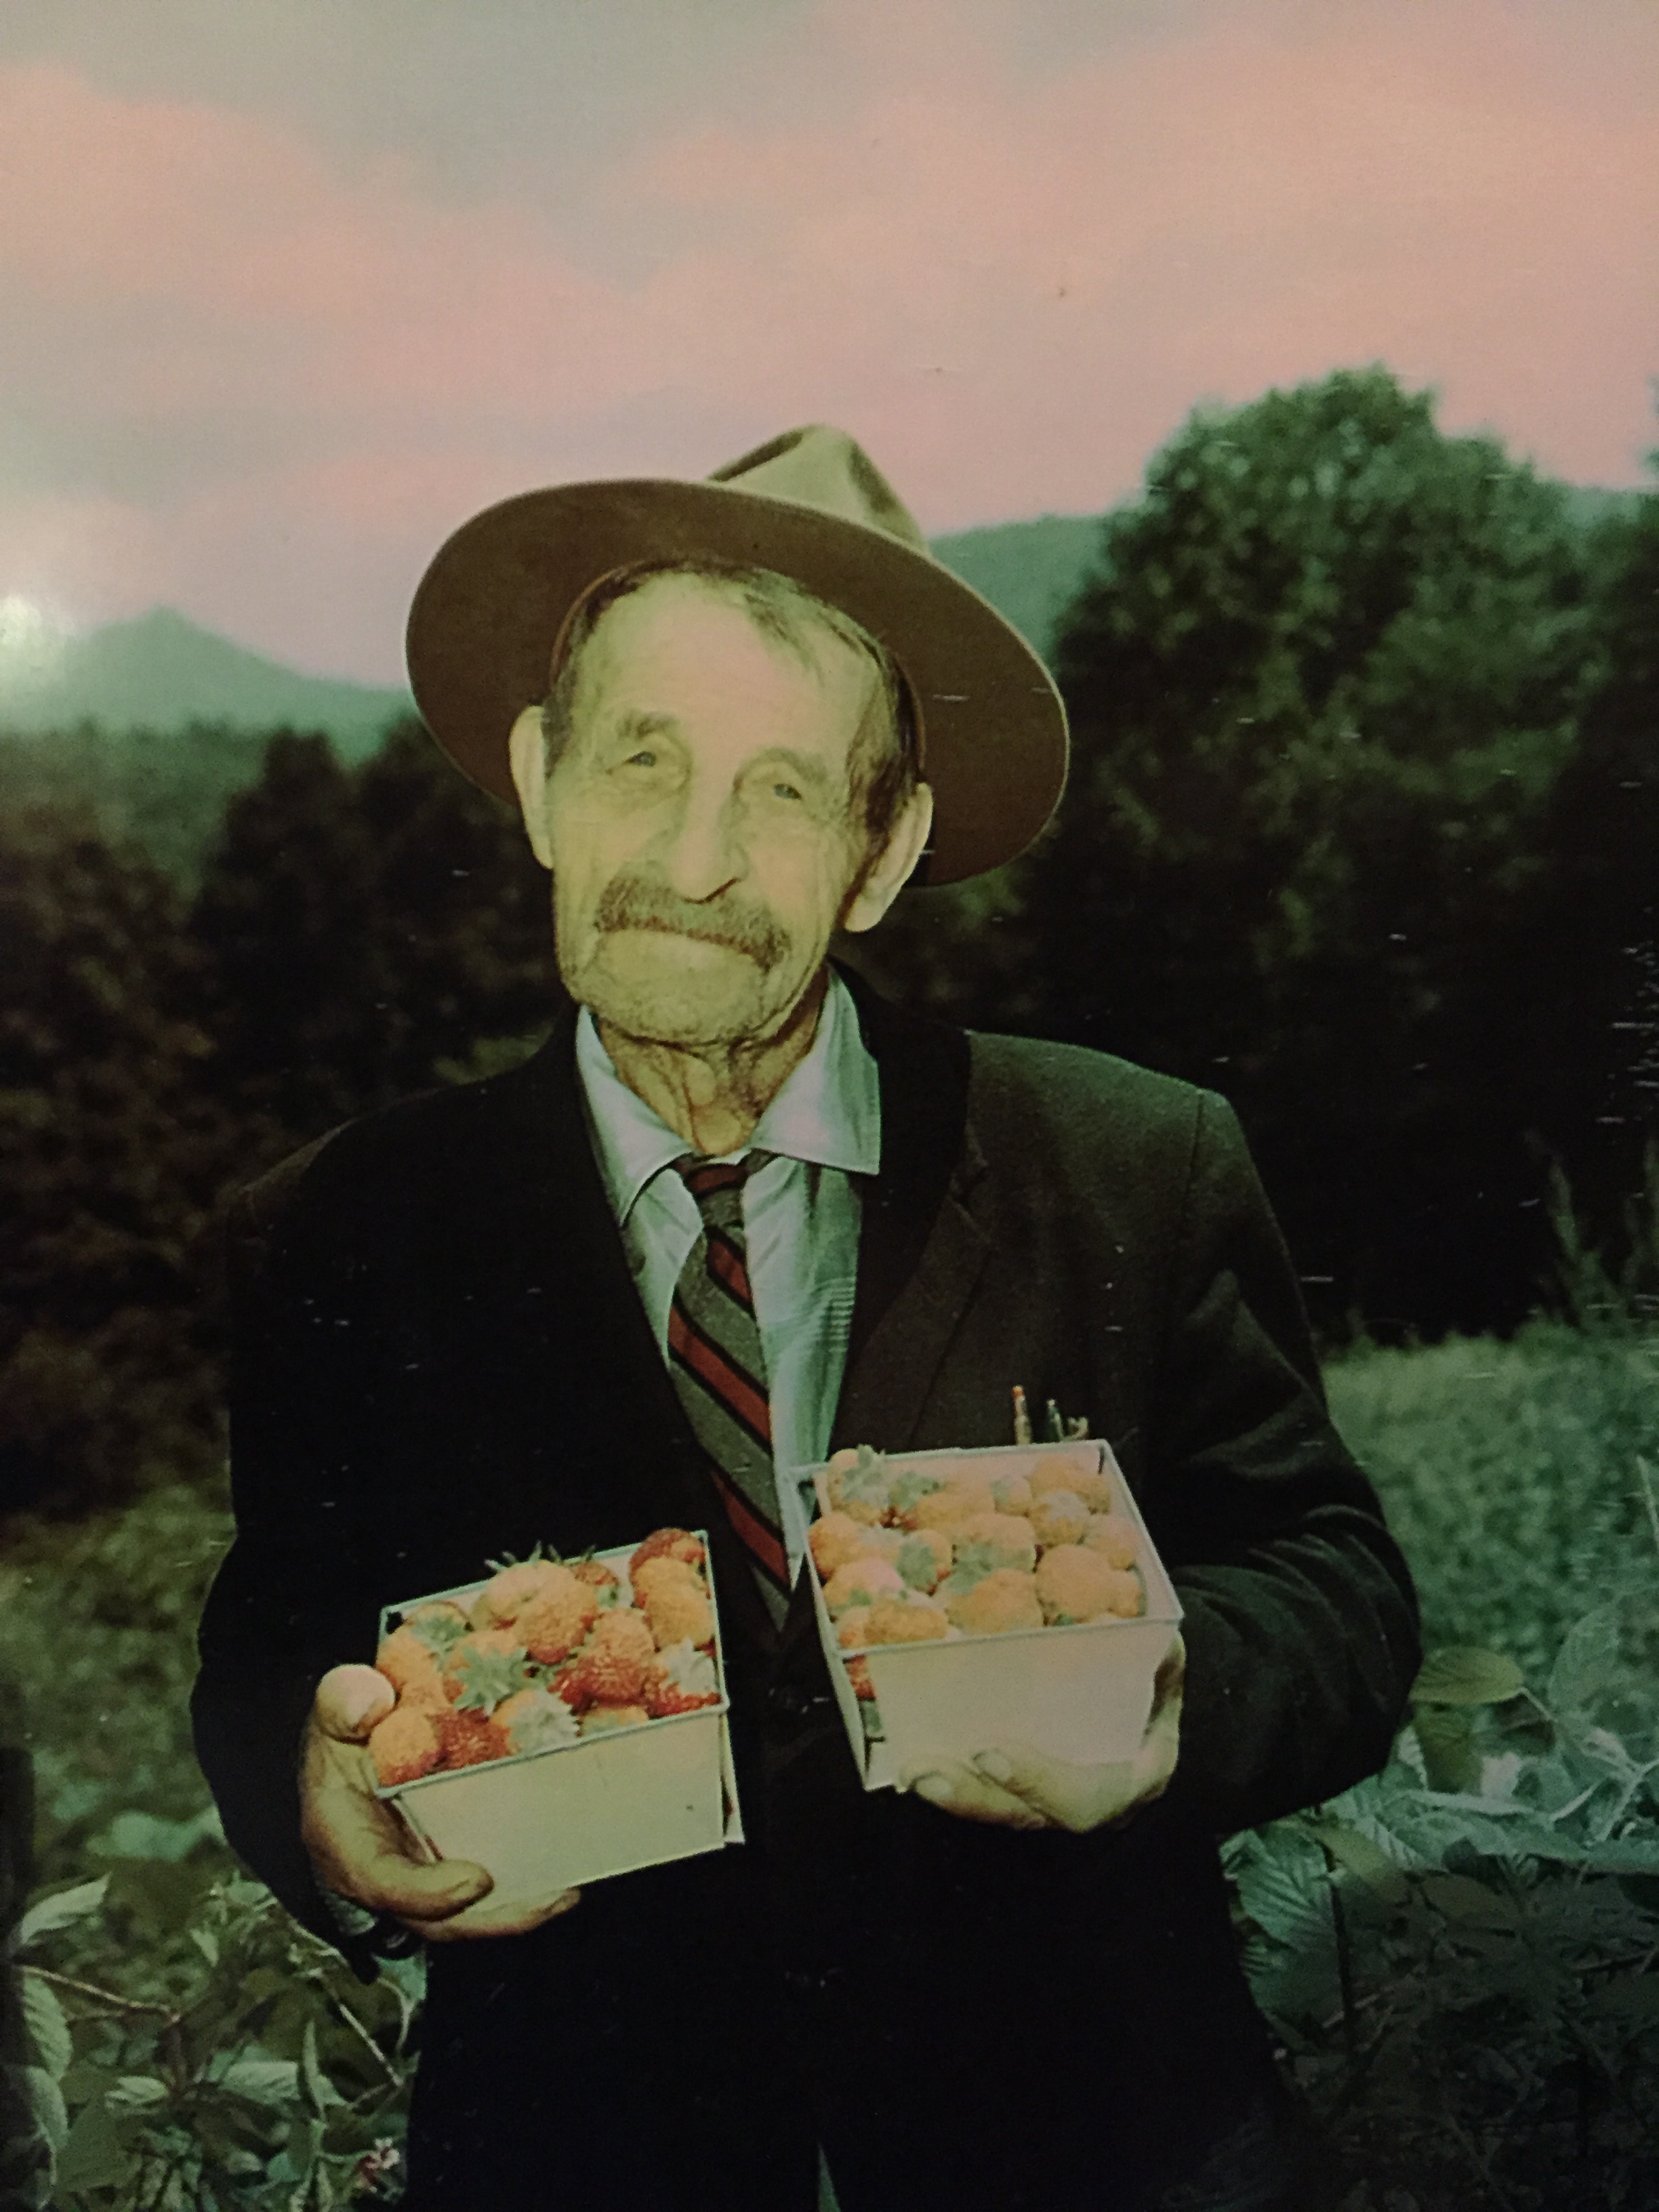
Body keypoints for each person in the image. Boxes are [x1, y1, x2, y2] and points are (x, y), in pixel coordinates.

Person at [192, 425, 1420, 2212]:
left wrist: (1177, 1682)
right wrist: (308, 1779)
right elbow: (276, 1626)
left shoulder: (1130, 1168)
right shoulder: (351, 1234)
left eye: (781, 791)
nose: (691, 860)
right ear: (540, 781)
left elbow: (1330, 1574)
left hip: (1097, 2142)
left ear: (882, 847)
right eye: (642, 761)